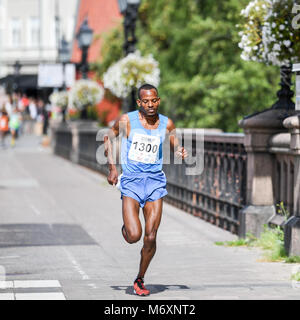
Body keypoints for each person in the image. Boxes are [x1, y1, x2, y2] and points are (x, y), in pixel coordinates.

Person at [104, 84, 188, 296]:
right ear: (139, 103)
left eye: (154, 101)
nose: (150, 105)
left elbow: (174, 142)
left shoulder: (167, 123)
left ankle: (140, 278)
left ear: (158, 100)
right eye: (146, 101)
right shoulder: (127, 120)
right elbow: (108, 137)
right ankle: (127, 228)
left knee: (150, 237)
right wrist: (113, 167)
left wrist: (179, 150)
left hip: (155, 182)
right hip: (131, 181)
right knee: (134, 235)